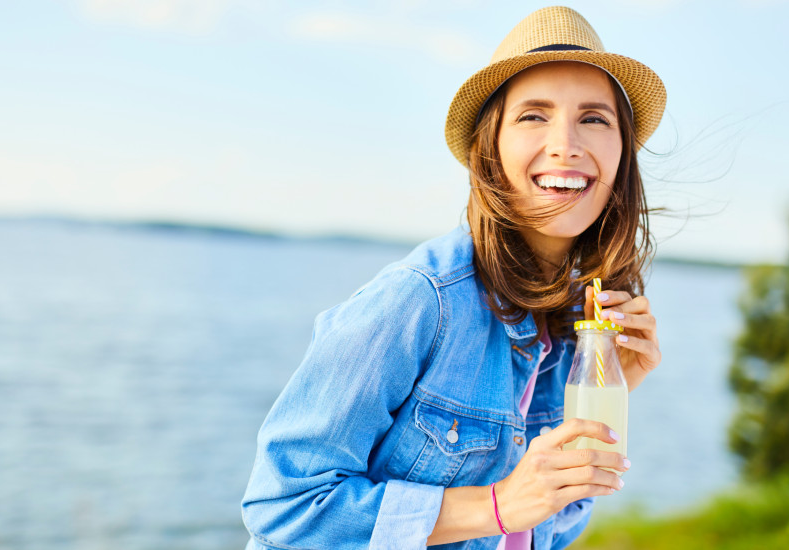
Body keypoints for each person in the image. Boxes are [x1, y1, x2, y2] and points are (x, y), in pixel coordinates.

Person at [242, 6, 665, 549]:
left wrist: (608, 389)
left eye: (594, 118)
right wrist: (498, 504)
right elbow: (284, 506)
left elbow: (542, 529)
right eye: (533, 116)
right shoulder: (420, 300)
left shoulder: (578, 321)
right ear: (489, 150)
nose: (567, 143)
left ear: (622, 152)